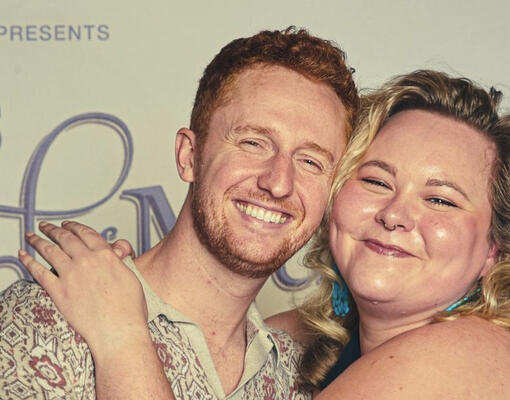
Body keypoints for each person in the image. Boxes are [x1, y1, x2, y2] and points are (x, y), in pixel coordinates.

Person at [17, 70, 510, 399]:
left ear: (496, 249)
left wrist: (121, 333)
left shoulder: (471, 355)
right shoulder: (299, 345)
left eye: (441, 199)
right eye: (376, 180)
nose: (395, 215)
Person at [0, 27, 359, 399]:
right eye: (253, 142)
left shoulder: (298, 381)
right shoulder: (45, 319)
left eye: (311, 161)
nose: (279, 183)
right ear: (189, 156)